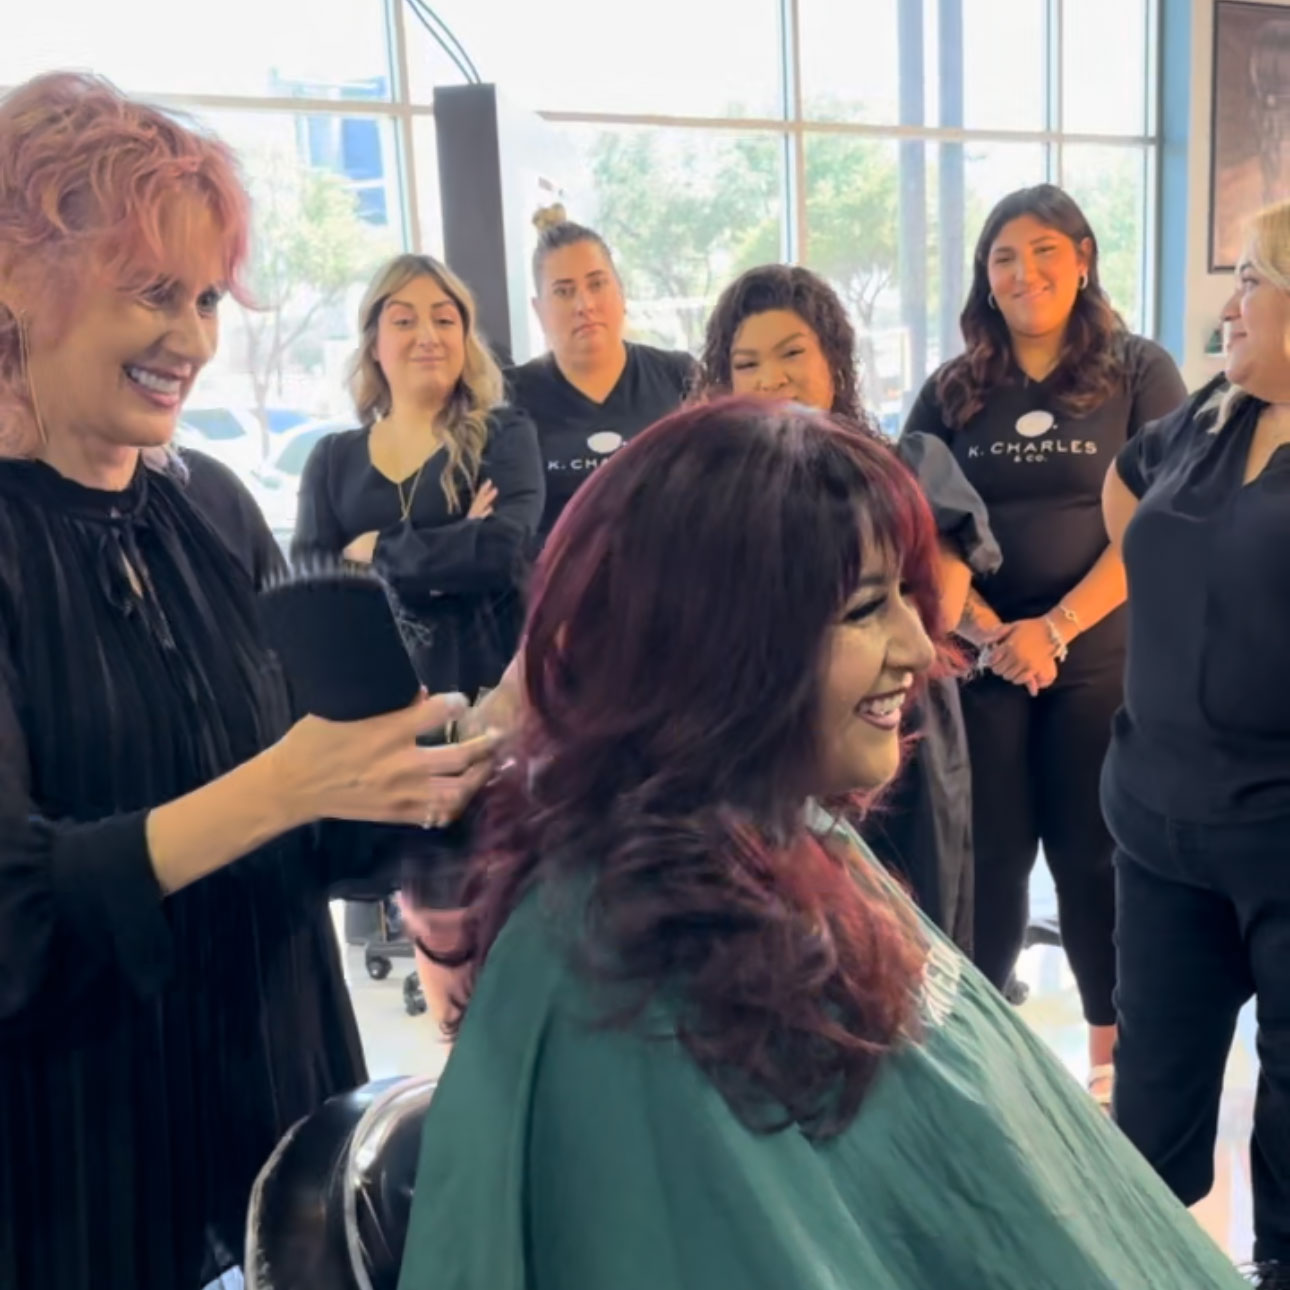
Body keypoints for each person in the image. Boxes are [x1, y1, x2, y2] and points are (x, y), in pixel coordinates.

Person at [395, 399, 1244, 1290]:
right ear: (716, 644)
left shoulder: (785, 834)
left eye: (907, 602)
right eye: (868, 610)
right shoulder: (615, 971)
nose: (920, 647)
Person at [0, 73, 496, 1290]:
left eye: (209, 297)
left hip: (273, 1103)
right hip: (81, 1153)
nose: (194, 339)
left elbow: (315, 827)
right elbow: (12, 909)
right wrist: (284, 787)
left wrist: (437, 776)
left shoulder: (211, 509)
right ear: (18, 279)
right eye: (154, 294)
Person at [900, 183, 1187, 1103]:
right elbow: (914, 521)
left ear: (1084, 258)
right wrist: (990, 630)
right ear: (985, 277)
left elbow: (1158, 517)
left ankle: (1113, 1066)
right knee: (985, 859)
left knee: (1094, 854)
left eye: (1043, 252)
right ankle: (981, 1066)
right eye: (1003, 258)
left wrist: (1056, 628)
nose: (1024, 274)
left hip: (1097, 653)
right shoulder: (953, 388)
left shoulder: (1139, 371)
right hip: (979, 659)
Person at [693, 263, 999, 951]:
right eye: (747, 363)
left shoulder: (901, 467)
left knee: (911, 925)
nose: (771, 377)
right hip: (771, 729)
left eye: (792, 352)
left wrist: (871, 648)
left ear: (834, 359)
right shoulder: (714, 505)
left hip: (899, 729)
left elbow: (941, 595)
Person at [1102, 200, 1290, 1288]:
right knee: (1150, 1117)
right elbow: (1127, 486)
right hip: (1161, 825)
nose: (1231, 306)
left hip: (1281, 837)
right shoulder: (1215, 411)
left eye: (1254, 281)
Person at [292, 253, 544, 698]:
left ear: (465, 338)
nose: (427, 336)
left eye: (445, 321)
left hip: (483, 710)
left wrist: (375, 551)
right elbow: (315, 593)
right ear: (374, 342)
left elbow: (503, 551)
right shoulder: (332, 459)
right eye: (404, 321)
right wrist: (458, 540)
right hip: (372, 712)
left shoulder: (504, 436)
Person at [506, 205, 695, 543]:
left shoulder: (678, 376)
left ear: (621, 293)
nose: (584, 304)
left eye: (597, 284)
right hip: (552, 589)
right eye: (563, 291)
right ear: (539, 309)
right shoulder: (510, 395)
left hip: (663, 587)